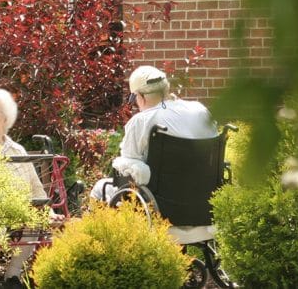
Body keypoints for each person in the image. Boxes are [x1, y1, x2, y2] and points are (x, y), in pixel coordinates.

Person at [89, 65, 218, 244]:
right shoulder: (200, 111)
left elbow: (128, 167)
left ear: (140, 96)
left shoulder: (141, 121)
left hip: (161, 212)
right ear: (166, 89)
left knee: (100, 187)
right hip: (203, 209)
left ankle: (102, 249)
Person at [0, 88, 48, 200]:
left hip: (19, 215)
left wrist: (50, 213)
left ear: (5, 119)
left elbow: (37, 191)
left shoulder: (17, 151)